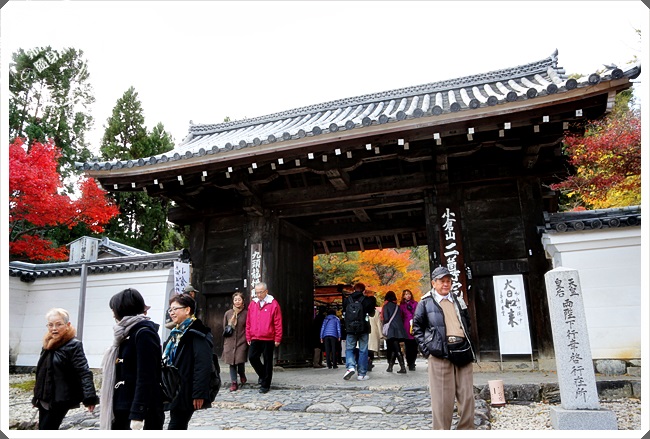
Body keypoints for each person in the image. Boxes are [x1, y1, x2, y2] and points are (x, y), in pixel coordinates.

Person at [412, 266, 475, 430]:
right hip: (439, 353)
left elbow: (467, 322)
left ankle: (466, 430)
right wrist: (427, 350)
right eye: (442, 281)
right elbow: (417, 328)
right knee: (442, 399)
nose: (446, 284)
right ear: (434, 283)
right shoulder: (425, 302)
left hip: (462, 350)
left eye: (448, 281)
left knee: (467, 396)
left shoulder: (458, 300)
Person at [100, 288, 164, 430]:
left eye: (114, 309)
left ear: (123, 308)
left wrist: (138, 413)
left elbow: (146, 376)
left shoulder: (144, 333)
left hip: (139, 410)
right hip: (123, 406)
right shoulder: (126, 333)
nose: (113, 314)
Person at [32, 308, 98, 430]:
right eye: (50, 325)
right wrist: (37, 397)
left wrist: (90, 398)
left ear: (67, 325)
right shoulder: (48, 344)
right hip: (44, 398)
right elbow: (41, 373)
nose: (54, 328)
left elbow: (84, 372)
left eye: (59, 324)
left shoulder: (73, 345)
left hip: (60, 398)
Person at [162, 293, 214, 429]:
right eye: (170, 309)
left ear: (187, 310)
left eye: (175, 309)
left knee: (176, 424)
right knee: (177, 423)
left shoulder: (198, 333)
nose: (171, 313)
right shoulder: (176, 332)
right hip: (175, 387)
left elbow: (203, 365)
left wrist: (199, 393)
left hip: (187, 388)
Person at [246, 281, 283, 394]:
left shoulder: (273, 304)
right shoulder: (253, 304)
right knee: (252, 357)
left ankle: (266, 384)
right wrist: (248, 335)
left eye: (261, 292)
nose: (258, 295)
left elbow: (278, 322)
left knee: (267, 361)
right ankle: (263, 375)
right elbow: (248, 321)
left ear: (266, 291)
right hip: (255, 336)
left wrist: (278, 337)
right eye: (257, 292)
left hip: (268, 337)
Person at [341, 282, 376, 381]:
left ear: (353, 289)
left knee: (349, 349)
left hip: (350, 329)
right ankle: (362, 374)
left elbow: (344, 312)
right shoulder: (366, 300)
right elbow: (372, 314)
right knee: (363, 350)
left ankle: (350, 366)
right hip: (363, 328)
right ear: (364, 290)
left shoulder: (347, 300)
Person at [222, 291, 249, 392]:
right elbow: (224, 327)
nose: (237, 301)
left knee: (240, 360)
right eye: (235, 300)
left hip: (241, 340)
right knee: (232, 363)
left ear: (243, 301)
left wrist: (246, 338)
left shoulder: (246, 313)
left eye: (239, 300)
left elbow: (248, 327)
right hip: (230, 341)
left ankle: (241, 374)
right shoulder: (228, 313)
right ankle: (234, 382)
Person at [382, 291, 408, 374]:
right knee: (395, 348)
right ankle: (390, 367)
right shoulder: (397, 307)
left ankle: (403, 367)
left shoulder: (386, 306)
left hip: (391, 330)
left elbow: (386, 318)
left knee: (397, 349)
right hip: (399, 329)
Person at [400, 289, 419, 371]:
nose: (408, 296)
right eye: (406, 294)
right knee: (408, 346)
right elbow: (401, 317)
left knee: (415, 347)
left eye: (409, 294)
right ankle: (409, 362)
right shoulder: (402, 306)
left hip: (415, 325)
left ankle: (413, 362)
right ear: (403, 296)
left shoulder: (415, 304)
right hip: (406, 327)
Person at [367, 301, 383, 371]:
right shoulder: (376, 312)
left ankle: (365, 362)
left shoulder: (363, 310)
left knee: (365, 349)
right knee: (371, 349)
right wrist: (381, 334)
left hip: (365, 332)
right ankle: (369, 362)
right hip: (373, 332)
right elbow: (379, 324)